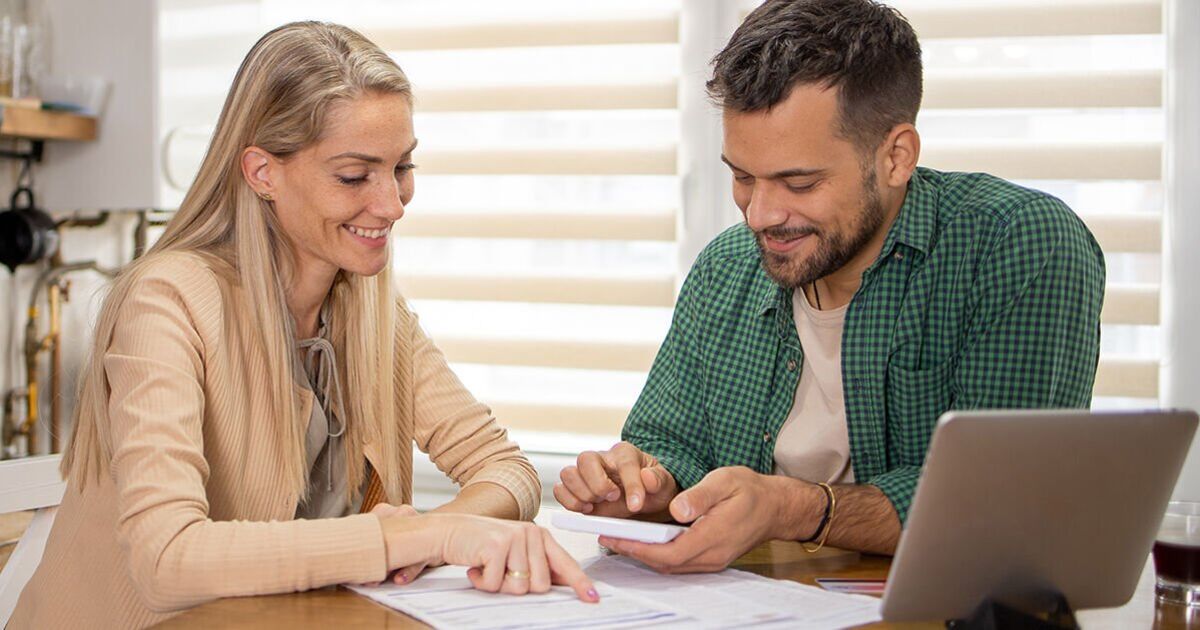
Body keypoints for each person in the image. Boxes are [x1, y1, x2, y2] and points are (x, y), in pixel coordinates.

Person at [12, 21, 596, 629]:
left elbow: (507, 469)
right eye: (354, 175)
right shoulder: (167, 301)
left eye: (402, 166)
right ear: (263, 172)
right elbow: (167, 558)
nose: (393, 204)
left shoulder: (371, 309)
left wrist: (433, 530)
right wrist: (415, 540)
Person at [555, 0, 1105, 573]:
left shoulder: (1017, 244)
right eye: (742, 176)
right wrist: (647, 491)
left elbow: (1005, 502)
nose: (760, 215)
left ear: (896, 157)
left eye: (800, 182)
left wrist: (795, 509)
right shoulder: (725, 269)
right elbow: (672, 451)